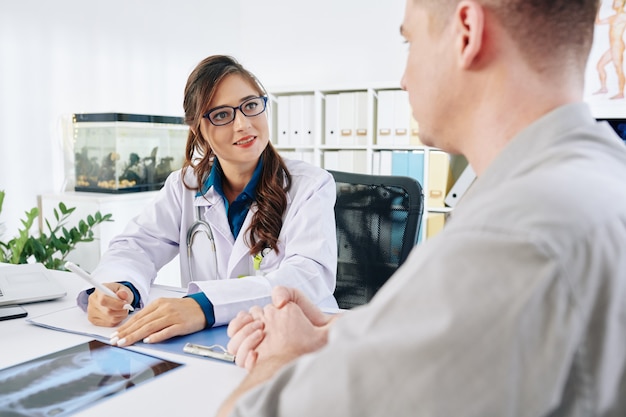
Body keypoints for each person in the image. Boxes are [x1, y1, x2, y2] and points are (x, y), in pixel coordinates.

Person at [219, 0, 626, 416]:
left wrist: (280, 357)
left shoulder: (506, 241)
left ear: (467, 33)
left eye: (409, 41)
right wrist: (334, 332)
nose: (404, 79)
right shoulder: (603, 176)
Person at [77, 55, 338, 347]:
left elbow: (309, 277)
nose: (242, 124)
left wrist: (204, 306)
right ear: (197, 128)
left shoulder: (311, 185)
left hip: (295, 343)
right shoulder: (185, 186)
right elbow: (135, 245)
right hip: (215, 344)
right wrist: (120, 287)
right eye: (222, 115)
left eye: (251, 106)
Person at [593, 0, 626, 99]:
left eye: (617, 2)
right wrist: (598, 8)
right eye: (614, 2)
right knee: (600, 66)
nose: (614, 4)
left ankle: (621, 93)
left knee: (618, 69)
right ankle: (604, 88)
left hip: (617, 45)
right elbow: (598, 22)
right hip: (613, 46)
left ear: (622, 3)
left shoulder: (623, 16)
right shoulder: (614, 17)